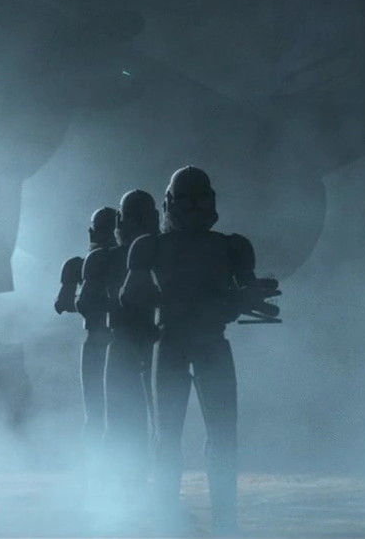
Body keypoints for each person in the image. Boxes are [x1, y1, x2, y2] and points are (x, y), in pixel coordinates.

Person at [120, 167, 265, 536]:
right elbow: (130, 295)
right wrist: (189, 301)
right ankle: (172, 520)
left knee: (218, 435)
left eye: (198, 200)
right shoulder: (152, 246)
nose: (192, 208)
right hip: (177, 341)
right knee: (171, 435)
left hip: (204, 342)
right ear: (171, 202)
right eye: (186, 201)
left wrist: (241, 298)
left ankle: (221, 523)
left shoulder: (229, 246)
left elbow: (249, 293)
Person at [104, 190, 159, 496]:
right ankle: (125, 485)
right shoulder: (108, 258)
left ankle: (137, 485)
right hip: (129, 339)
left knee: (153, 415)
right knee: (122, 414)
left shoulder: (159, 253)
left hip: (147, 338)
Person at [58, 208, 119, 445]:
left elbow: (64, 303)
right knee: (98, 409)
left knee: (104, 410)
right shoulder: (79, 265)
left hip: (111, 339)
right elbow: (65, 303)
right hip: (104, 338)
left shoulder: (126, 261)